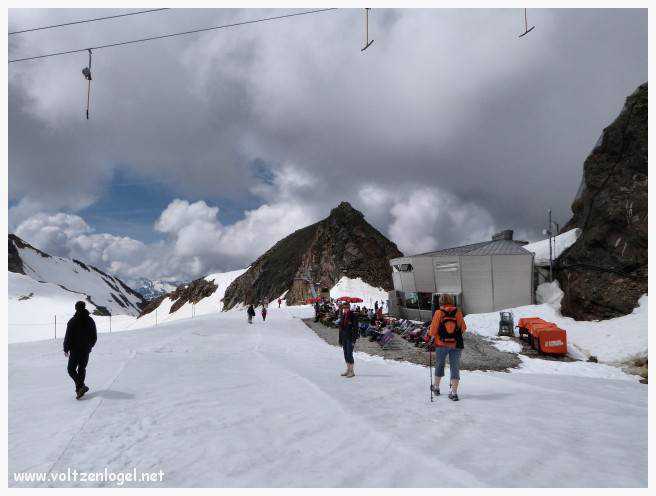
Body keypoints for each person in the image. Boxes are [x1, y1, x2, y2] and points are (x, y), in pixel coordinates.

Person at [427, 294, 467, 401]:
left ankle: (436, 387)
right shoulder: (457, 312)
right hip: (456, 345)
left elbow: (433, 331)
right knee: (455, 367)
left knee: (439, 364)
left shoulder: (438, 313)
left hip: (441, 344)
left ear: (440, 302)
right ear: (451, 301)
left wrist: (432, 335)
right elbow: (463, 328)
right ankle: (454, 393)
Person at [63, 301, 97, 400]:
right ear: (84, 307)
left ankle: (80, 387)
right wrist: (90, 346)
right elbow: (94, 336)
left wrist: (66, 348)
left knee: (71, 369)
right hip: (86, 350)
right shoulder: (90, 320)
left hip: (75, 350)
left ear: (76, 308)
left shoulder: (72, 321)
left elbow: (68, 336)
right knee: (82, 369)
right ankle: (80, 388)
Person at [338, 302, 359, 378]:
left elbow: (356, 329)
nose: (345, 309)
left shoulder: (353, 316)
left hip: (350, 338)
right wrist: (340, 339)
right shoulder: (343, 316)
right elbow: (340, 329)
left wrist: (354, 340)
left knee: (349, 354)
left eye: (346, 308)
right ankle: (348, 370)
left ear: (349, 308)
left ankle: (352, 371)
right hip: (344, 337)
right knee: (345, 354)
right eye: (344, 308)